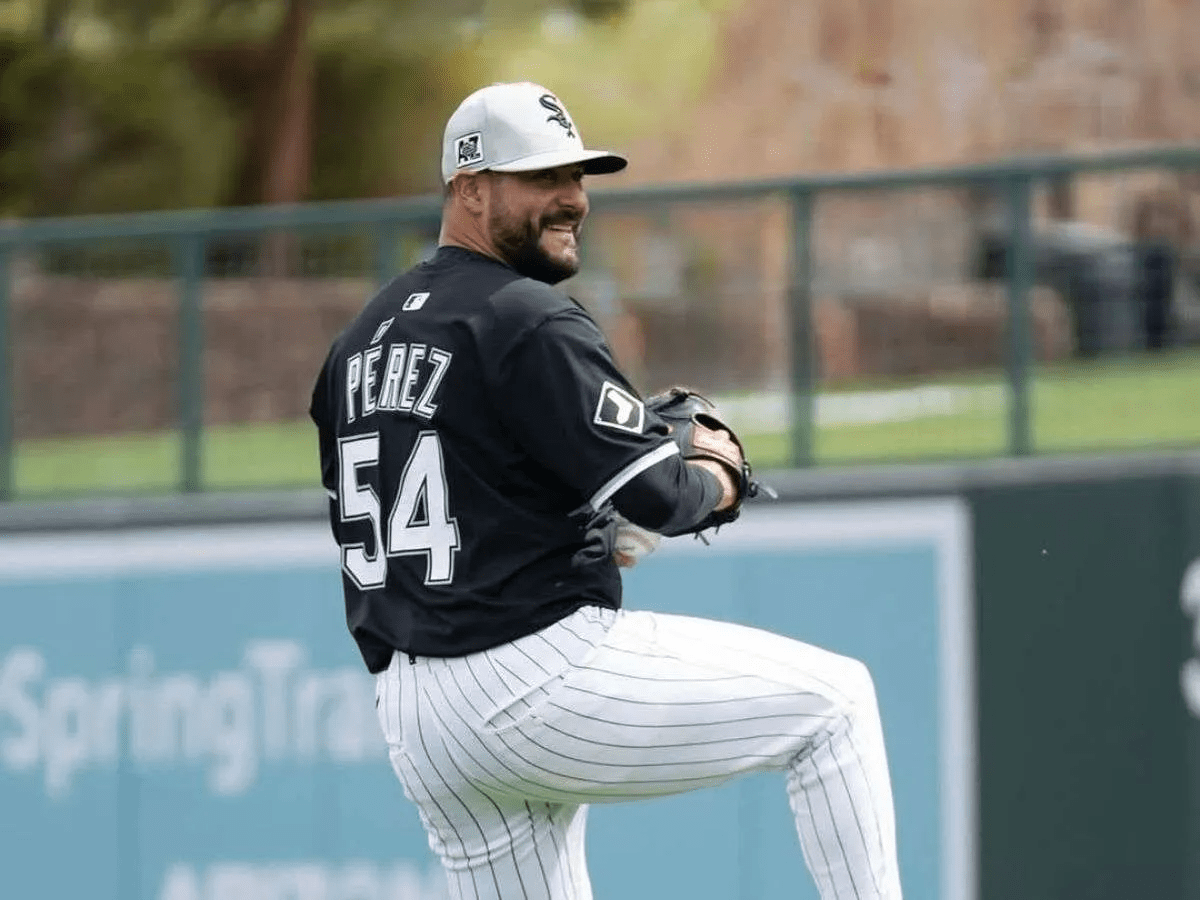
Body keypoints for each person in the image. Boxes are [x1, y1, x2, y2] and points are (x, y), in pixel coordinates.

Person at [309, 81, 904, 900]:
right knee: (836, 707)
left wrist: (585, 525)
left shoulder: (359, 340)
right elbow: (664, 496)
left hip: (418, 713)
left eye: (579, 176)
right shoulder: (528, 319)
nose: (573, 199)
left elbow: (454, 496)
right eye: (543, 177)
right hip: (526, 673)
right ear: (471, 187)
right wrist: (721, 474)